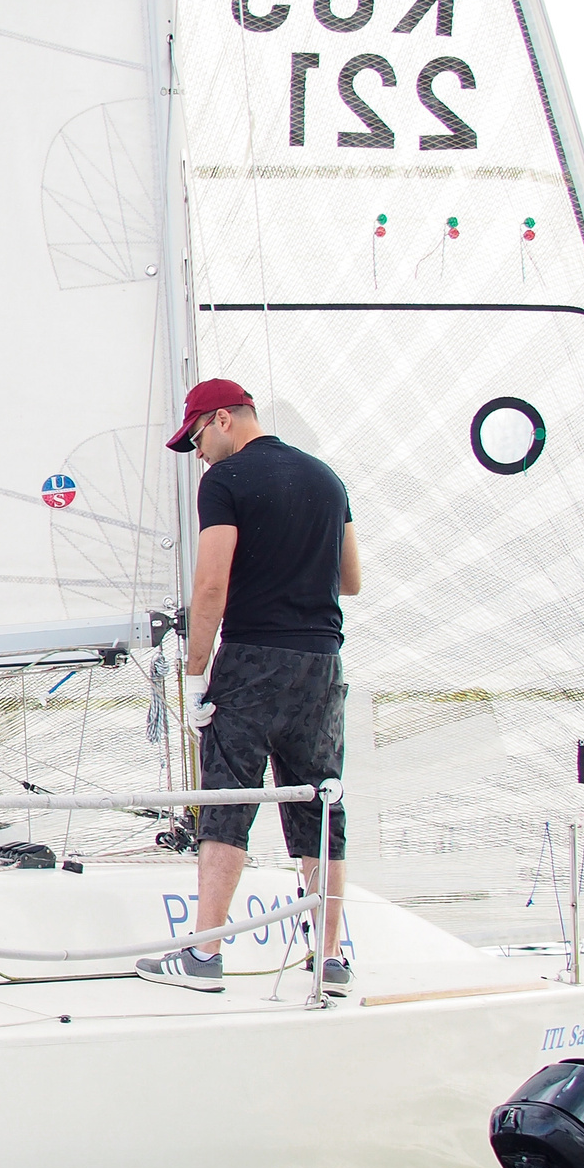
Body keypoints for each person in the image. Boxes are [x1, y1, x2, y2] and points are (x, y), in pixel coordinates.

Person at [137, 377, 361, 997]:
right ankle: (331, 959)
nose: (199, 454)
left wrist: (195, 674)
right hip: (322, 663)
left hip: (253, 659)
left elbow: (211, 585)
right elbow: (352, 579)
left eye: (198, 439)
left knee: (227, 802)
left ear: (223, 420)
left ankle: (203, 955)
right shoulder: (328, 479)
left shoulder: (227, 482)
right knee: (319, 804)